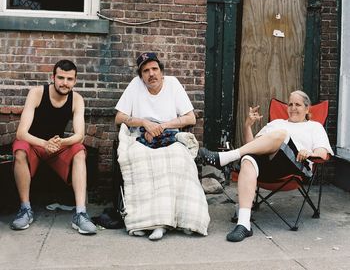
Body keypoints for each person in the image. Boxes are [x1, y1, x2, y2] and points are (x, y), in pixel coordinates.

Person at [198, 90, 333, 242]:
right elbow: (253, 146)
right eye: (290, 104)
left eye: (298, 105)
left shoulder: (314, 127)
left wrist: (308, 153)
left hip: (295, 167)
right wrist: (248, 125)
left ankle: (225, 157)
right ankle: (243, 224)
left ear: (307, 109)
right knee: (248, 159)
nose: (293, 108)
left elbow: (322, 152)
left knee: (281, 134)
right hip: (268, 167)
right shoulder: (276, 123)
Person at [115, 52, 210, 240]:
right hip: (141, 138)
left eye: (154, 69)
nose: (151, 74)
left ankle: (180, 220)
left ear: (161, 72)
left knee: (179, 158)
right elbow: (119, 117)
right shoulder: (135, 86)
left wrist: (162, 126)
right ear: (141, 76)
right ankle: (144, 221)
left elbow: (190, 117)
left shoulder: (173, 84)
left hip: (170, 136)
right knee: (139, 159)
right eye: (146, 71)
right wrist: (144, 122)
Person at [11, 59, 97, 235]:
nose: (65, 83)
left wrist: (60, 143)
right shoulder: (37, 93)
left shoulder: (77, 99)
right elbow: (21, 133)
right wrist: (45, 143)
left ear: (75, 81)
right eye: (61, 78)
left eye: (69, 79)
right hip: (34, 144)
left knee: (79, 151)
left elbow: (79, 135)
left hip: (58, 146)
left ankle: (80, 214)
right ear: (53, 77)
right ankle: (25, 209)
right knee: (19, 149)